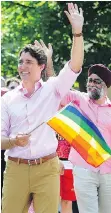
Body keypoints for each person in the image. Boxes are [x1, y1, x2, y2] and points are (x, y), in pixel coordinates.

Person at [1, 3, 84, 213]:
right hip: (15, 169)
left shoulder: (52, 89)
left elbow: (74, 66)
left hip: (47, 168)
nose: (22, 66)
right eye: (20, 62)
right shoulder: (7, 99)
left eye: (28, 62)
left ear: (41, 66)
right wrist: (13, 141)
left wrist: (77, 32)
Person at [60, 64, 111, 213]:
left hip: (108, 171)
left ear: (106, 85)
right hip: (83, 168)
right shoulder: (78, 99)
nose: (92, 84)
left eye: (97, 81)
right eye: (90, 80)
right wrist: (49, 67)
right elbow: (58, 91)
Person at [56, 133, 79, 213]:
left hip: (70, 165)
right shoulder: (50, 123)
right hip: (51, 163)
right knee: (52, 199)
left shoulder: (76, 125)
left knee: (67, 201)